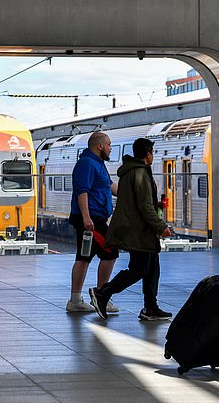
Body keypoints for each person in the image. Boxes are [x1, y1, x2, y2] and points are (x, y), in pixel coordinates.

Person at [89, 138, 173, 321]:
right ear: (148, 153)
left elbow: (137, 202)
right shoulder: (140, 173)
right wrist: (161, 227)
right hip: (138, 231)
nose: (153, 156)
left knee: (152, 268)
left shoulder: (130, 171)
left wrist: (156, 204)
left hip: (136, 229)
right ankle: (103, 293)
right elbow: (144, 207)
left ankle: (150, 308)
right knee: (138, 269)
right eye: (152, 153)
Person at [66, 132, 120, 313]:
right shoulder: (87, 164)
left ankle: (75, 301)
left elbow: (110, 186)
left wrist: (130, 193)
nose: (110, 148)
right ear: (100, 146)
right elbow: (82, 192)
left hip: (93, 218)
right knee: (110, 253)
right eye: (109, 145)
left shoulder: (98, 164)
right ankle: (101, 296)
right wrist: (87, 218)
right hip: (91, 220)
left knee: (84, 258)